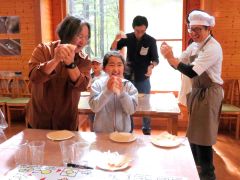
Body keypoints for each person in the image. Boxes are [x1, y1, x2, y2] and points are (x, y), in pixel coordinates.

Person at [160, 10, 223, 180]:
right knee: (194, 134)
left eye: (198, 30)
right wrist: (169, 56)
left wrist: (171, 58)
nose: (193, 33)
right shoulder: (194, 45)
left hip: (210, 93)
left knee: (204, 137)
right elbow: (179, 62)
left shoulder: (213, 47)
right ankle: (194, 171)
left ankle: (208, 174)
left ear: (208, 28)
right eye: (191, 29)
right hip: (197, 91)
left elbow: (191, 71)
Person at [28, 16, 91, 130]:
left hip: (67, 122)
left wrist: (71, 64)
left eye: (86, 37)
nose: (83, 41)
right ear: (67, 33)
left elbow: (82, 86)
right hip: (40, 120)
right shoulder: (43, 49)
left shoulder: (84, 60)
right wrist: (55, 60)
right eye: (79, 36)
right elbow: (34, 78)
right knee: (39, 148)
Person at [110, 15, 159, 135]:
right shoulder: (128, 37)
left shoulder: (150, 40)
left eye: (142, 31)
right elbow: (113, 50)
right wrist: (116, 39)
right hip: (127, 76)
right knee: (127, 103)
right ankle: (129, 129)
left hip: (143, 77)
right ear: (133, 28)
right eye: (137, 31)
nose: (139, 34)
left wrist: (151, 66)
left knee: (145, 104)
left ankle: (146, 129)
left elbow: (156, 59)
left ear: (145, 29)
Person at [89, 51, 138, 133]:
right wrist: (107, 90)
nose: (116, 69)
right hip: (102, 134)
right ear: (104, 68)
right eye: (111, 65)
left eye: (119, 65)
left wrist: (122, 93)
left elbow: (131, 110)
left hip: (123, 134)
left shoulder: (128, 85)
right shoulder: (97, 84)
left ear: (123, 68)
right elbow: (94, 108)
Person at [87, 57, 105, 131]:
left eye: (97, 64)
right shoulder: (89, 76)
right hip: (92, 99)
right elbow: (87, 88)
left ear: (102, 66)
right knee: (91, 116)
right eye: (93, 64)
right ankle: (92, 131)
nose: (95, 66)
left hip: (102, 100)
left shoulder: (105, 76)